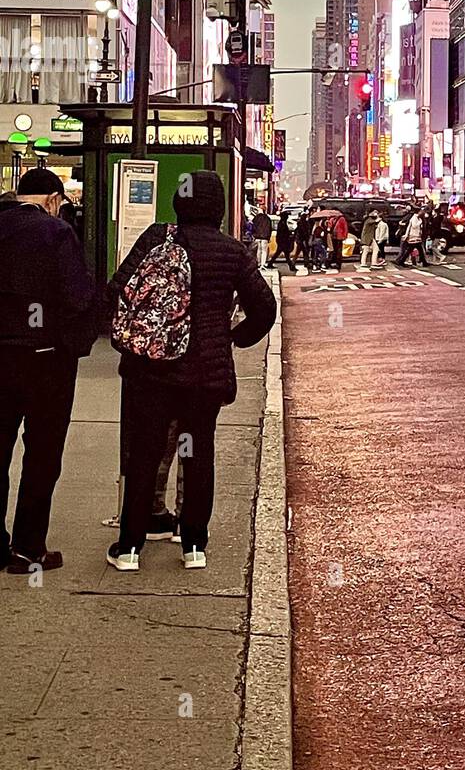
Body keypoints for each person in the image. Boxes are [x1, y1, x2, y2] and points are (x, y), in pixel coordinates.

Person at [107, 170, 276, 572]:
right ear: (218, 206)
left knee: (145, 452)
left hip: (151, 370)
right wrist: (232, 337)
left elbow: (117, 289)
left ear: (178, 203)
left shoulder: (155, 239)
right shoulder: (233, 252)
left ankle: (130, 547)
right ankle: (193, 544)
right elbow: (264, 309)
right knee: (197, 452)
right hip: (205, 374)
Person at [0, 168, 99, 572]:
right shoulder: (56, 234)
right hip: (45, 359)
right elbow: (78, 297)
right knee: (42, 455)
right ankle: (28, 549)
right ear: (54, 200)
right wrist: (75, 344)